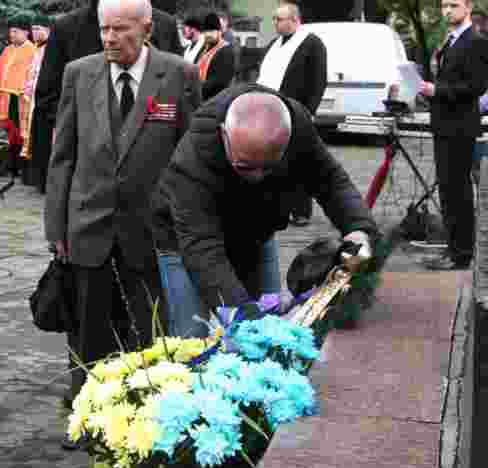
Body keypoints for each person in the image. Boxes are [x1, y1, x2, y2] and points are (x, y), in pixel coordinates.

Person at [44, 0, 201, 448]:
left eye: (120, 29)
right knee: (87, 332)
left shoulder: (179, 75)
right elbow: (63, 156)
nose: (109, 38)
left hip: (150, 234)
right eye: (104, 29)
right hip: (87, 228)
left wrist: (185, 223)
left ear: (147, 29)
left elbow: (190, 156)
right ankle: (87, 418)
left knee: (148, 332)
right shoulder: (79, 73)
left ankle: (142, 423)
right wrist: (57, 227)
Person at [152, 87, 377, 337]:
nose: (257, 178)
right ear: (224, 135)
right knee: (193, 334)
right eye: (245, 167)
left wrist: (358, 229)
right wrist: (240, 313)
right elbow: (201, 246)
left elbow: (330, 180)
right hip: (185, 241)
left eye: (268, 167)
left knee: (269, 328)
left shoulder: (298, 129)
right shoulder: (193, 159)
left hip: (256, 233)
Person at [31, 0, 183, 192]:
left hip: (153, 175)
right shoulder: (67, 29)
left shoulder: (164, 26)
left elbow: (179, 94)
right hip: (90, 173)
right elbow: (48, 98)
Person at [418, 0, 488, 270]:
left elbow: (476, 86)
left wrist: (438, 91)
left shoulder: (476, 41)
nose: (447, 11)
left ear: (468, 7)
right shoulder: (450, 40)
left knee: (457, 192)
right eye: (444, 6)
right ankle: (453, 248)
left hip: (460, 126)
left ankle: (461, 254)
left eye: (454, 6)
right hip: (444, 124)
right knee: (448, 190)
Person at [256, 3, 327, 227]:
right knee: (273, 161)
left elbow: (318, 80)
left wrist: (308, 112)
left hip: (297, 112)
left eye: (280, 19)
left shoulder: (311, 43)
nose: (275, 23)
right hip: (271, 110)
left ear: (295, 19)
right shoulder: (274, 45)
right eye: (274, 19)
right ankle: (275, 206)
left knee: (298, 162)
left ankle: (300, 210)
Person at [0, 17, 38, 173]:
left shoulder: (31, 50)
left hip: (20, 99)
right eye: (10, 31)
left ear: (26, 32)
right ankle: (7, 164)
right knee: (5, 133)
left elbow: (30, 75)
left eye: (15, 31)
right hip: (5, 98)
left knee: (21, 133)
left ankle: (21, 166)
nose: (11, 34)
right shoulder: (7, 50)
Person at [21, 16, 51, 188]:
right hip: (31, 97)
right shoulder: (36, 49)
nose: (35, 32)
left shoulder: (50, 48)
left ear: (48, 30)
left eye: (38, 28)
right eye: (33, 29)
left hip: (42, 98)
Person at [197, 12, 238, 101]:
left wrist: (196, 89)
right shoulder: (204, 48)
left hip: (215, 100)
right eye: (206, 31)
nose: (208, 34)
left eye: (212, 31)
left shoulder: (226, 50)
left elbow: (219, 82)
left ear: (219, 31)